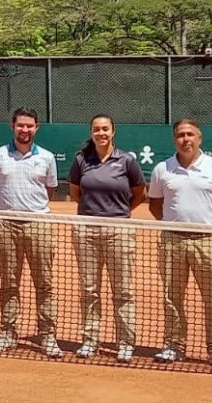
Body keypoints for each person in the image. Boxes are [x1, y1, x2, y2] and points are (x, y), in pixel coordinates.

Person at [149, 118, 212, 371]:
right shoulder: (162, 169)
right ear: (174, 139)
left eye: (190, 134)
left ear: (199, 138)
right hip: (172, 242)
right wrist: (172, 225)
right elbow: (154, 205)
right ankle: (174, 346)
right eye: (180, 135)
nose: (185, 139)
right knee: (172, 297)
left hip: (208, 242)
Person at [0, 107, 63, 359]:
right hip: (6, 225)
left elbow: (50, 190)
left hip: (39, 225)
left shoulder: (47, 157)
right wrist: (9, 208)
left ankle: (48, 335)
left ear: (36, 128)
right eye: (20, 125)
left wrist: (31, 208)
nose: (24, 130)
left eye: (29, 126)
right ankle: (8, 333)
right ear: (12, 126)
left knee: (44, 283)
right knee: (9, 283)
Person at [68, 114, 145, 363]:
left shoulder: (127, 160)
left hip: (119, 230)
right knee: (89, 290)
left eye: (105, 129)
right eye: (96, 129)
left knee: (123, 290)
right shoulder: (81, 160)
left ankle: (125, 343)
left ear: (113, 131)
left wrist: (119, 213)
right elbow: (76, 192)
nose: (101, 133)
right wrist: (92, 213)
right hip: (86, 230)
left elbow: (139, 193)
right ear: (91, 132)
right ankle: (90, 341)